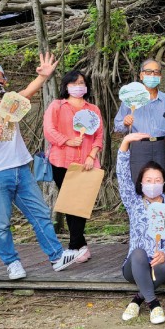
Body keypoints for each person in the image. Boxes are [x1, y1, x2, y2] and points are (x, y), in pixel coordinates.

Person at [0, 56, 88, 280]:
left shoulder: (9, 102)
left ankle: (57, 257)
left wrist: (43, 76)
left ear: (4, 82)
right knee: (1, 224)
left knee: (40, 215)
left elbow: (28, 92)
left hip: (21, 169)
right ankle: (12, 263)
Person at [117, 132, 165, 325]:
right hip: (135, 266)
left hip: (161, 266)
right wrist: (125, 142)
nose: (153, 184)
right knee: (138, 253)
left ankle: (137, 300)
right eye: (148, 180)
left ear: (164, 183)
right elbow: (122, 176)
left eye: (157, 180)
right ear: (141, 183)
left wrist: (164, 254)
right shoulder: (134, 203)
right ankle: (154, 304)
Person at [43, 69, 104, 261]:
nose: (78, 86)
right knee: (71, 203)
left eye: (81, 83)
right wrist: (67, 141)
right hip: (62, 161)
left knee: (80, 203)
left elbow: (99, 136)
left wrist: (91, 155)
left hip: (87, 162)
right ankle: (79, 245)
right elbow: (49, 130)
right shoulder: (57, 106)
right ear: (66, 86)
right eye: (74, 83)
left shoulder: (93, 109)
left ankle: (75, 246)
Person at [113, 59, 165, 187]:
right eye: (148, 72)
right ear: (141, 75)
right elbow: (117, 126)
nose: (152, 75)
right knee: (139, 185)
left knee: (162, 185)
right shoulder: (130, 99)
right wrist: (125, 123)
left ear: (160, 76)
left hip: (162, 147)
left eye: (156, 72)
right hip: (139, 147)